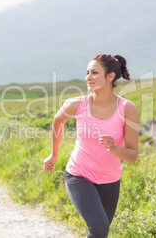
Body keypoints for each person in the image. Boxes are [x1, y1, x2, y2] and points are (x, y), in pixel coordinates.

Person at [44, 54, 139, 238]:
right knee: (99, 229)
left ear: (110, 76)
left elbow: (133, 155)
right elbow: (57, 121)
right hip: (79, 174)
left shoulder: (127, 109)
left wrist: (115, 149)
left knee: (100, 233)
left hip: (110, 178)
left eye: (94, 72)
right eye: (87, 72)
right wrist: (53, 154)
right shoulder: (76, 104)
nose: (88, 77)